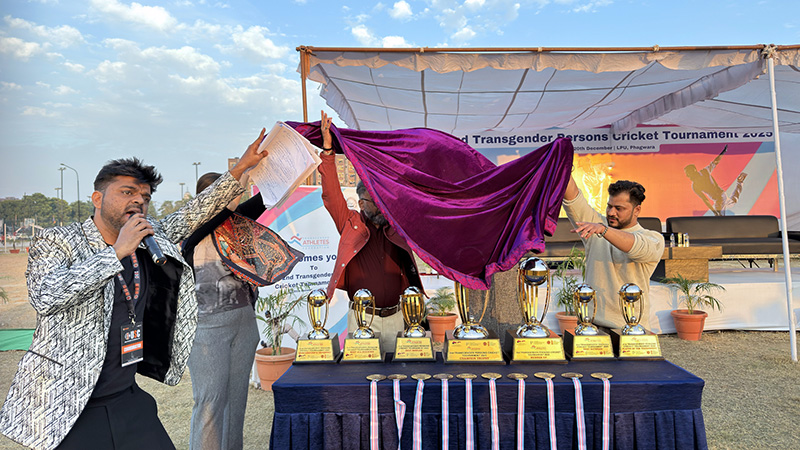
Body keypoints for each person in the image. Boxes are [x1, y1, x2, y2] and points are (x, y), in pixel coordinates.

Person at [0, 129, 269, 450]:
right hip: (68, 400)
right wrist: (115, 253)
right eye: (127, 192)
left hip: (125, 395)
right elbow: (47, 296)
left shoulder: (147, 238)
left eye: (143, 196)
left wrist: (240, 169)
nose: (137, 201)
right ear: (97, 198)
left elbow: (193, 213)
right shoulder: (58, 240)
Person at [182, 173, 302, 450]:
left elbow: (261, 202)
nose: (234, 202)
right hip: (206, 330)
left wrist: (289, 168)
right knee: (210, 402)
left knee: (236, 403)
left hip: (244, 324)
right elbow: (216, 217)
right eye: (227, 196)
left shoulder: (235, 226)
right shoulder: (191, 230)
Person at [318, 111, 423, 351]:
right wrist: (327, 153)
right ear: (363, 203)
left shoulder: (398, 224)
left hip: (400, 317)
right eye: (374, 200)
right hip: (363, 319)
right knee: (363, 381)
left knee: (399, 380)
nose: (381, 205)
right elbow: (331, 195)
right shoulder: (351, 223)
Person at [562, 173, 665, 330]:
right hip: (591, 326)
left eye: (619, 208)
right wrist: (562, 163)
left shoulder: (652, 238)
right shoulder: (596, 227)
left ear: (637, 210)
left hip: (632, 328)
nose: (611, 212)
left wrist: (603, 230)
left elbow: (635, 247)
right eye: (609, 206)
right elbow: (573, 198)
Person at [684, 145, 747, 216]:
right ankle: (739, 182)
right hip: (722, 196)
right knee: (733, 201)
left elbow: (715, 162)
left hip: (719, 200)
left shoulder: (705, 172)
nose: (687, 176)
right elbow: (705, 199)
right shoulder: (695, 185)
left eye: (688, 173)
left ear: (694, 170)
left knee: (719, 219)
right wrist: (714, 211)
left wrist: (723, 152)